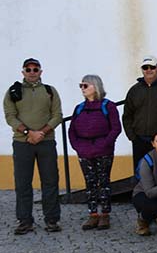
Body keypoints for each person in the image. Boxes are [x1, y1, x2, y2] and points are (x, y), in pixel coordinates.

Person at [4, 58, 63, 234]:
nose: (32, 72)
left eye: (35, 69)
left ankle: (52, 220)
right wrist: (28, 133)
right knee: (22, 183)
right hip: (23, 143)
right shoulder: (13, 91)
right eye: (28, 69)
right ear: (23, 72)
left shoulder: (50, 91)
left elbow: (57, 115)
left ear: (40, 72)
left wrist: (42, 133)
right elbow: (10, 116)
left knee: (51, 181)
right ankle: (24, 221)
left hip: (46, 142)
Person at [69, 75, 121, 230]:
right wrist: (78, 147)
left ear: (95, 86)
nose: (82, 89)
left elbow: (116, 128)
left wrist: (103, 145)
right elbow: (71, 130)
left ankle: (105, 213)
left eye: (85, 85)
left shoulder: (108, 106)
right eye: (81, 86)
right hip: (84, 152)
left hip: (103, 151)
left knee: (103, 182)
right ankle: (92, 214)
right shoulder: (79, 108)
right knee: (90, 183)